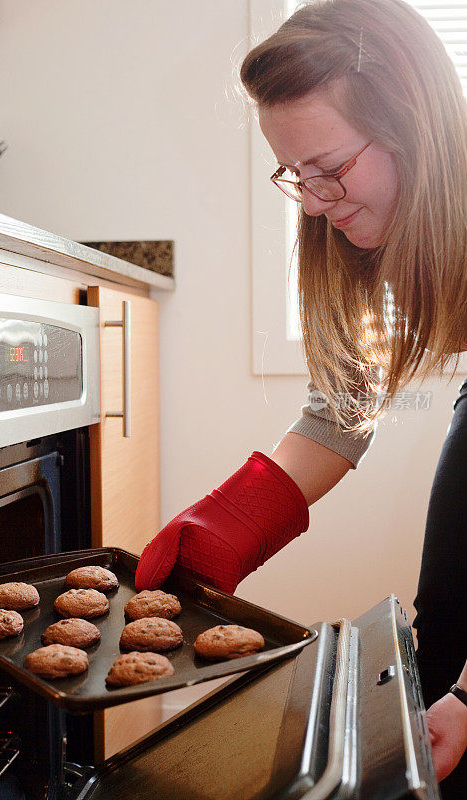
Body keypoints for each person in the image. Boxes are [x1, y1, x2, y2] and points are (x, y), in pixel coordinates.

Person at [135, 0, 467, 794]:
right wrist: (230, 523)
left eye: (331, 169)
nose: (315, 201)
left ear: (411, 127)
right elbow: (344, 400)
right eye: (295, 175)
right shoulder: (368, 229)